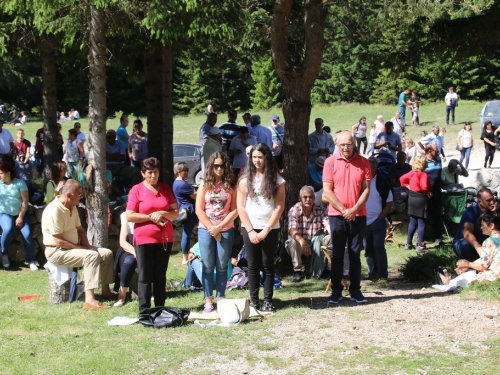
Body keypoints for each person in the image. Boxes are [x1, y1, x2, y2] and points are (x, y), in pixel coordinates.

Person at [42, 179, 114, 310]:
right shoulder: (54, 210)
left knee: (106, 253)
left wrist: (88, 247)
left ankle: (106, 291)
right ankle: (90, 300)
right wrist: (83, 249)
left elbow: (80, 231)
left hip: (72, 248)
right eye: (79, 194)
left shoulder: (72, 206)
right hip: (56, 251)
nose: (81, 196)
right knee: (91, 256)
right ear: (69, 195)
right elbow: (58, 240)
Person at [323, 131, 371, 304]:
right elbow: (327, 190)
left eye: (349, 144)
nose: (345, 148)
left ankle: (356, 290)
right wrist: (344, 209)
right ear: (337, 144)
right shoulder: (330, 162)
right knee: (337, 254)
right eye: (342, 144)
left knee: (355, 253)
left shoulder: (364, 162)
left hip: (358, 215)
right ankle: (336, 290)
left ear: (354, 143)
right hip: (337, 215)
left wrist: (354, 209)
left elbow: (366, 189)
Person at [237, 143, 285, 313]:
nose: (257, 160)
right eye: (254, 157)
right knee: (252, 265)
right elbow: (240, 207)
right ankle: (254, 301)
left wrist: (266, 230)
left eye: (260, 157)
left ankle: (268, 300)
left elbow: (279, 206)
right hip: (250, 227)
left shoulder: (277, 180)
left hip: (270, 228)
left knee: (267, 264)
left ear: (266, 158)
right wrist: (250, 230)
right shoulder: (244, 180)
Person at [126, 157, 178, 312]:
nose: (153, 176)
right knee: (145, 275)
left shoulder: (165, 188)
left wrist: (162, 212)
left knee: (160, 275)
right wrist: (150, 217)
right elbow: (129, 215)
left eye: (156, 172)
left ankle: (160, 308)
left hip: (164, 238)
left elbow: (175, 213)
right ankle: (144, 310)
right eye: (150, 173)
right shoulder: (137, 190)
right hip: (143, 239)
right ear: (143, 173)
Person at [195, 152, 237, 313]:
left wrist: (219, 228)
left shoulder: (231, 185)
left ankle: (221, 298)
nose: (219, 169)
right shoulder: (205, 184)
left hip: (225, 230)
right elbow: (199, 210)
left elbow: (234, 211)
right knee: (207, 266)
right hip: (206, 230)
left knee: (221, 266)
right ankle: (208, 300)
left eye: (221, 165)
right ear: (211, 167)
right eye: (215, 166)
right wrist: (212, 229)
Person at [439, 211, 500, 289]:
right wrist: (469, 265)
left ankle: (449, 280)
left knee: (468, 277)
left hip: (494, 276)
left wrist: (468, 264)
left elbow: (483, 266)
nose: (481, 227)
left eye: (482, 225)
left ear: (491, 226)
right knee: (471, 273)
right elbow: (487, 258)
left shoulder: (489, 241)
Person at [286, 185, 330, 282]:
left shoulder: (320, 210)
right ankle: (297, 271)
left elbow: (327, 224)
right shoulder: (294, 210)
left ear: (314, 198)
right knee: (293, 241)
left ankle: (326, 269)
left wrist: (331, 232)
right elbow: (292, 229)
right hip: (300, 244)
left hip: (315, 245)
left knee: (330, 238)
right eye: (305, 197)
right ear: (300, 198)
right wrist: (302, 241)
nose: (308, 199)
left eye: (310, 197)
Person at [0, 159, 37, 270]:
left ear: (8, 173)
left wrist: (20, 217)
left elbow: (25, 202)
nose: (0, 175)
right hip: (5, 213)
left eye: (1, 173)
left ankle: (31, 261)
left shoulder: (20, 183)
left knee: (27, 234)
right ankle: (4, 254)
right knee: (7, 229)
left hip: (21, 213)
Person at [364, 157, 393, 279]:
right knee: (368, 248)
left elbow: (389, 202)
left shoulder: (382, 181)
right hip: (364, 221)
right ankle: (372, 272)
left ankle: (382, 272)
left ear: (375, 167)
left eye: (369, 166)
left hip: (378, 220)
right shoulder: (362, 180)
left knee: (378, 246)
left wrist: (381, 218)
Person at [453, 188, 498, 262]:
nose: (492, 202)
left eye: (493, 199)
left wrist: (494, 215)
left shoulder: (495, 210)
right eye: (488, 200)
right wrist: (478, 248)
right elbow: (467, 233)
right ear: (479, 201)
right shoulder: (471, 211)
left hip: (485, 241)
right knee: (466, 247)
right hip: (466, 241)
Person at [400, 156, 432, 252]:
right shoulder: (423, 174)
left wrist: (409, 186)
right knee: (421, 222)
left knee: (413, 221)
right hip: (420, 199)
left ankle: (408, 243)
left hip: (412, 198)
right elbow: (424, 187)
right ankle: (420, 245)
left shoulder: (412, 173)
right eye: (426, 162)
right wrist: (428, 193)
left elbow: (402, 179)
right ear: (423, 164)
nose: (427, 164)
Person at [172, 162, 198, 265]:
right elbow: (195, 195)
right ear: (179, 172)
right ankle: (185, 258)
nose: (187, 172)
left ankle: (187, 256)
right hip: (189, 212)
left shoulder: (176, 183)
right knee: (187, 234)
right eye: (185, 170)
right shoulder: (182, 184)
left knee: (186, 234)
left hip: (184, 210)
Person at [113, 212, 137, 307]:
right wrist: (136, 253)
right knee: (129, 262)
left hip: (145, 246)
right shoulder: (125, 215)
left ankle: (152, 292)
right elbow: (122, 241)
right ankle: (122, 295)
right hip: (129, 246)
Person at [424, 143, 444, 245]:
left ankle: (438, 237)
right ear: (429, 152)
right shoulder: (423, 162)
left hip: (437, 192)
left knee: (438, 215)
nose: (438, 152)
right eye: (436, 150)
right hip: (426, 193)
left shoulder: (439, 159)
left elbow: (440, 174)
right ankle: (423, 238)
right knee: (425, 215)